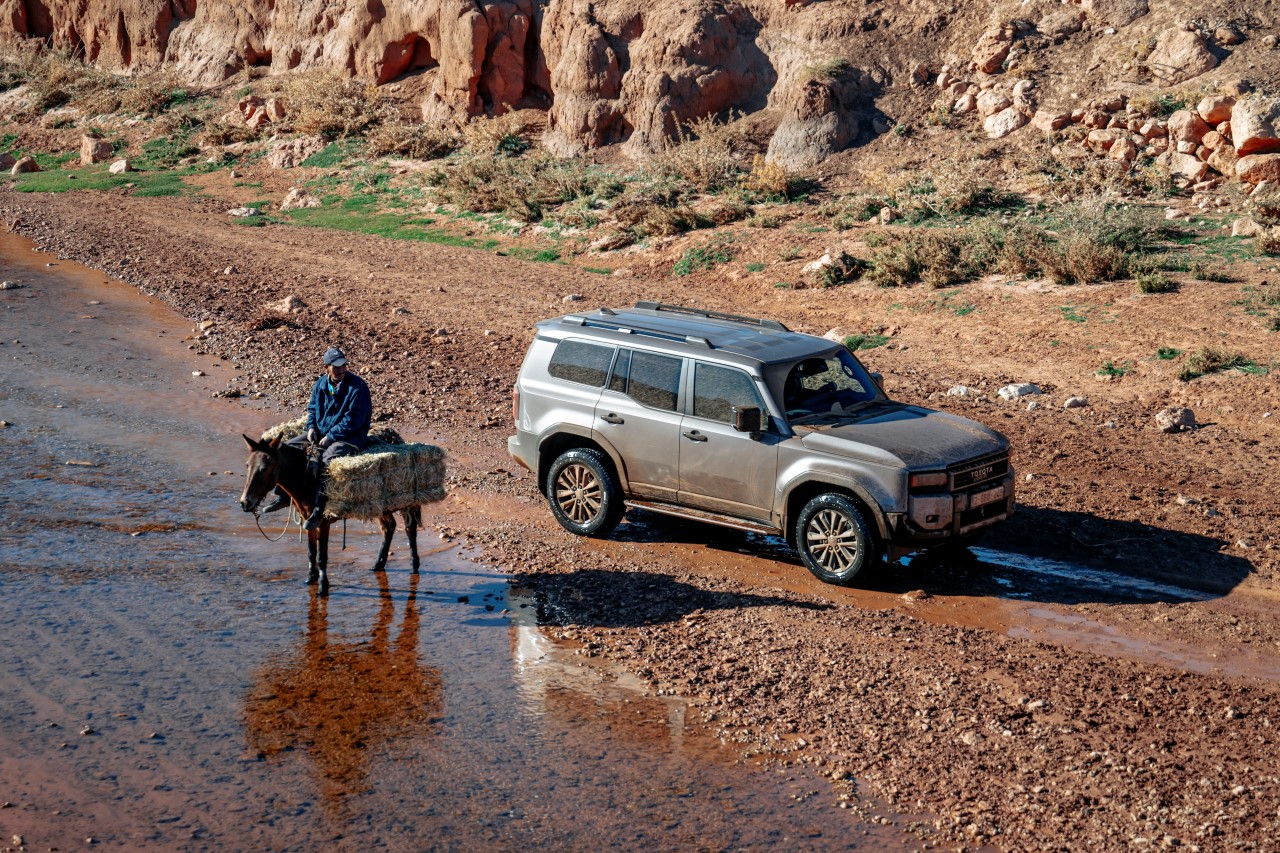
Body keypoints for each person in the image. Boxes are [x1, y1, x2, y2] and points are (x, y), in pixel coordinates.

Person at [260, 346, 373, 529]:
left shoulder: (357, 388)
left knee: (326, 460)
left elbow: (353, 421)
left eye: (343, 366)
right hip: (320, 432)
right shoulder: (321, 384)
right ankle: (283, 495)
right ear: (326, 367)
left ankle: (319, 509)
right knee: (285, 448)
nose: (341, 370)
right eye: (336, 367)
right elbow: (312, 409)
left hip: (349, 438)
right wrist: (311, 427)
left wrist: (331, 436)